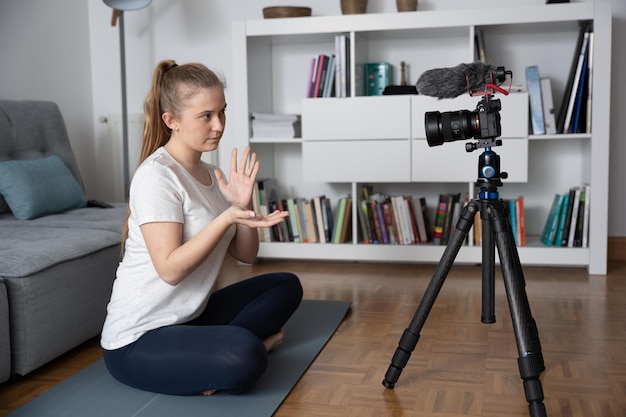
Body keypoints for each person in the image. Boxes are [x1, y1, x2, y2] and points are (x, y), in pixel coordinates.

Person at [100, 59, 303, 396]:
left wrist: (242, 207)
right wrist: (226, 217)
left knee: (286, 285)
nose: (219, 125)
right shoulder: (157, 177)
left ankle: (204, 360)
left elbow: (246, 256)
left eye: (222, 112)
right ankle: (231, 353)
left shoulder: (211, 174)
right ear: (172, 120)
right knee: (246, 355)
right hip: (137, 340)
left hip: (190, 317)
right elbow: (170, 270)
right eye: (206, 116)